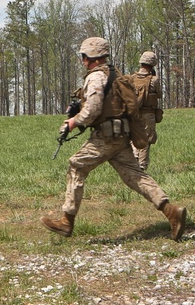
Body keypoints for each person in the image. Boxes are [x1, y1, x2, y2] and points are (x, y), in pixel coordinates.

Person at [41, 37, 187, 241]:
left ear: (89, 57)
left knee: (76, 166)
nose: (82, 60)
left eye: (83, 56)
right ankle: (172, 212)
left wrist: (73, 122)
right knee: (136, 176)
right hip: (121, 136)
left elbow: (92, 110)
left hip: (105, 138)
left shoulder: (95, 78)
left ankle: (66, 221)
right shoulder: (115, 74)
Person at [130, 51, 162, 171]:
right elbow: (159, 95)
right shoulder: (154, 80)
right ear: (153, 64)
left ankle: (134, 159)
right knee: (146, 139)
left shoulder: (132, 78)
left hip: (134, 114)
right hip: (148, 114)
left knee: (134, 137)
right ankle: (142, 166)